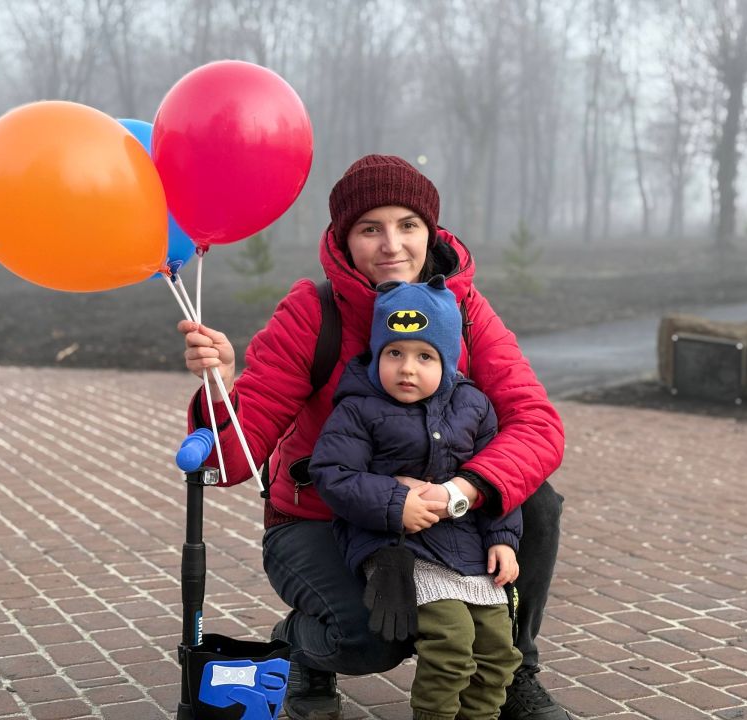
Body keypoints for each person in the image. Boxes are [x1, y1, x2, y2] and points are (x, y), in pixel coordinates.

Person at [180, 154, 569, 720]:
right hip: (320, 520)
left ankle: (513, 671)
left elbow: (537, 425)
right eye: (371, 228)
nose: (392, 245)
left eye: (407, 225)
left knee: (535, 500)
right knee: (374, 635)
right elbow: (229, 461)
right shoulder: (314, 313)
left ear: (429, 232)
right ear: (345, 238)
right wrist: (220, 387)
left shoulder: (463, 312)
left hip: (439, 514)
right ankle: (303, 644)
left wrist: (462, 490)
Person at [309, 276, 523, 720]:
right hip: (401, 547)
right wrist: (393, 500)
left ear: (447, 360)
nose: (407, 368)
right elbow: (332, 473)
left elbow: (494, 478)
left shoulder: (475, 406)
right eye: (395, 353)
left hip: (468, 547)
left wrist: (503, 537)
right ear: (377, 355)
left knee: (498, 651)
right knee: (450, 643)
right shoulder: (358, 407)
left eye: (425, 356)